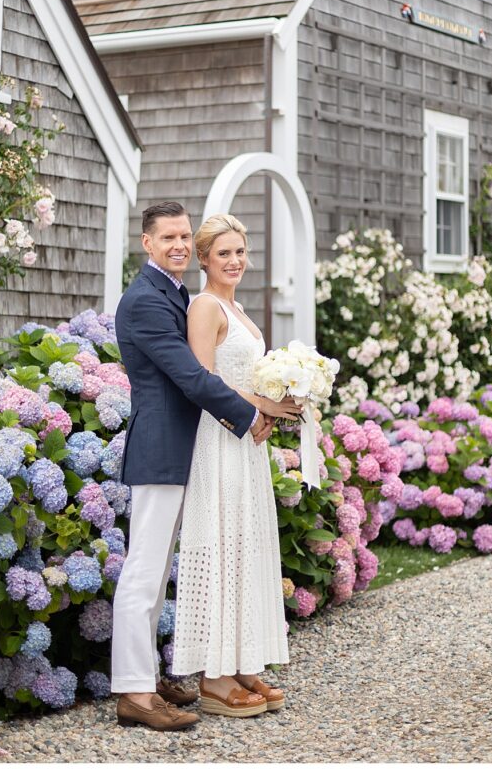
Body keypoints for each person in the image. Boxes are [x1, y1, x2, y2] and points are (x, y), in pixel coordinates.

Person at [111, 202, 299, 731]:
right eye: (166, 237)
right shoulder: (147, 300)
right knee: (145, 573)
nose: (176, 244)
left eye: (183, 236)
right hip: (162, 450)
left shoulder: (172, 294)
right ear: (146, 242)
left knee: (161, 571)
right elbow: (191, 378)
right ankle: (133, 692)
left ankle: (150, 677)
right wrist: (251, 413)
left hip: (188, 448)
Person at [171, 214, 290, 717]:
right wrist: (260, 404)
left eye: (240, 251)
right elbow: (203, 380)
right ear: (204, 259)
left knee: (245, 545)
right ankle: (214, 679)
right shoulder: (204, 305)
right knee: (221, 544)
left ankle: (241, 661)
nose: (235, 261)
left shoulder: (237, 308)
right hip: (218, 440)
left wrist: (273, 405)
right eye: (224, 253)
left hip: (245, 439)